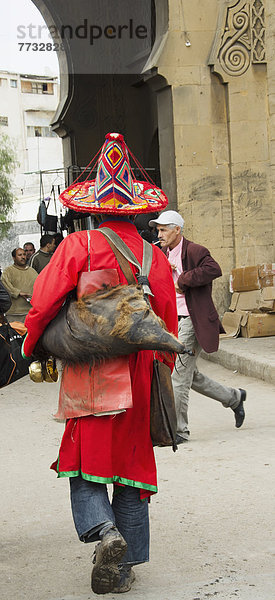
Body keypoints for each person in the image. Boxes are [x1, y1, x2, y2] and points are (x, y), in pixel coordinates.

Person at [22, 132, 178, 595]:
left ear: (94, 207)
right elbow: (167, 322)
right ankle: (123, 565)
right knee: (131, 466)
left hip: (92, 373)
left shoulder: (80, 246)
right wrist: (159, 369)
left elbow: (43, 302)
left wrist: (34, 344)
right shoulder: (156, 257)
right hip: (141, 372)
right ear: (138, 210)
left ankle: (104, 534)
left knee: (84, 460)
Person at [149, 210, 246, 444]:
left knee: (178, 377)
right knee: (192, 375)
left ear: (177, 230)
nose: (159, 234)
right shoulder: (162, 253)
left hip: (192, 320)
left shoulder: (195, 250)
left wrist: (183, 279)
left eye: (163, 229)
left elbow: (214, 269)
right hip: (171, 321)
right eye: (158, 230)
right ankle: (234, 398)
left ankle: (179, 430)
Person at [1, 248, 38, 323]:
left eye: (24, 254)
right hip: (14, 314)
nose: (23, 257)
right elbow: (4, 284)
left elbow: (40, 287)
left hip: (30, 312)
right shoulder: (8, 271)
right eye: (20, 255)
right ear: (14, 258)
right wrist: (18, 292)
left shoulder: (32, 271)